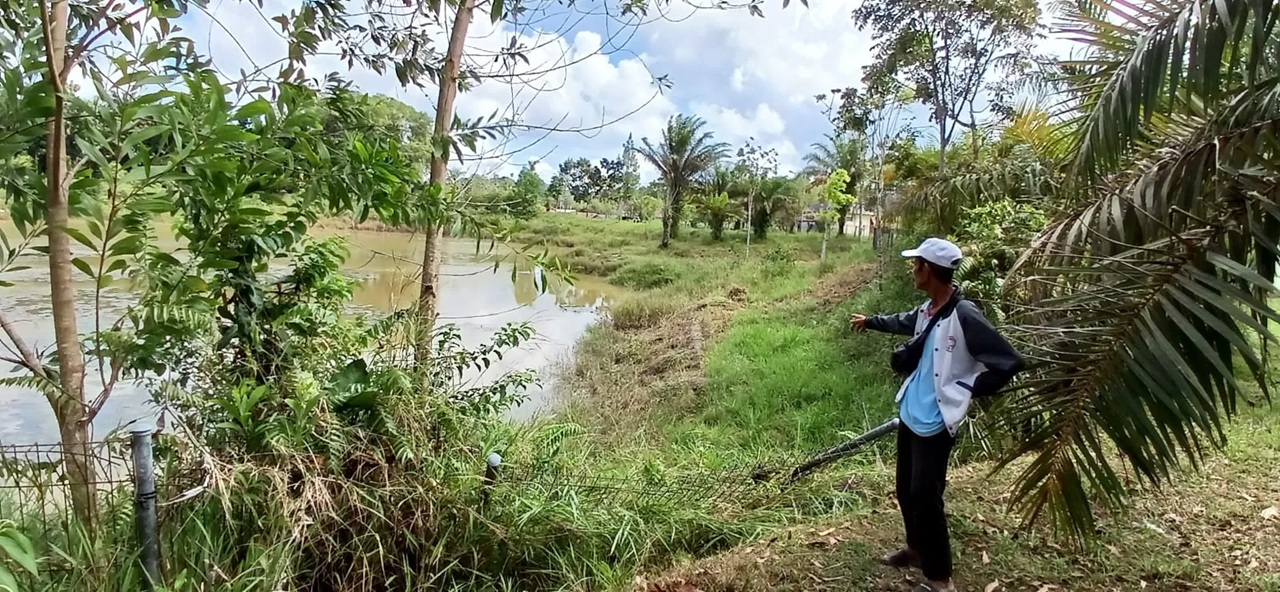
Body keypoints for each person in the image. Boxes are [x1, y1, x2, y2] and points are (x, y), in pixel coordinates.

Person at [850, 237, 1025, 592]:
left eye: (916, 265)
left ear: (928, 270)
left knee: (926, 498)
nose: (913, 270)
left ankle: (940, 579)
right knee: (905, 490)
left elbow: (1009, 362)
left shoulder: (965, 315)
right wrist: (870, 322)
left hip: (937, 421)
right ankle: (915, 550)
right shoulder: (928, 310)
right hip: (913, 411)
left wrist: (965, 389)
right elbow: (903, 322)